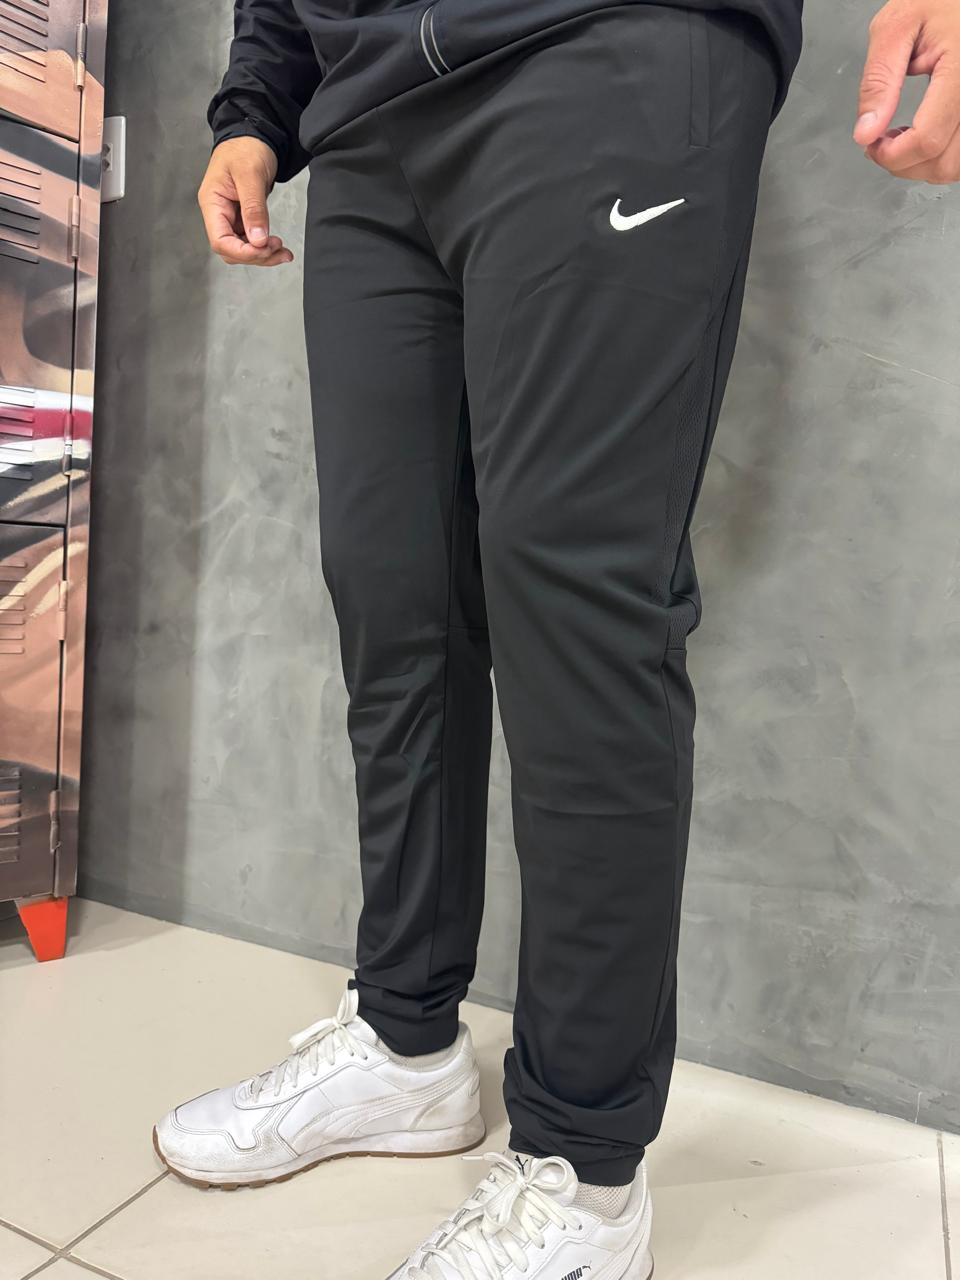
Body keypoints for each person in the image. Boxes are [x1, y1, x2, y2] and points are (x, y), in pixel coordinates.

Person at [154, 1, 960, 1275]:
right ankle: (407, 1040)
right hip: (366, 109)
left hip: (607, 44)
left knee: (578, 618)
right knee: (394, 600)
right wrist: (256, 108)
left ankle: (585, 1173)